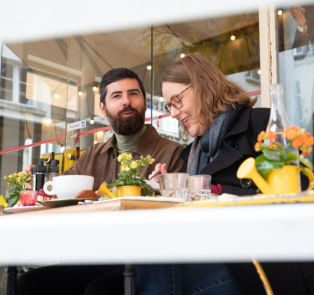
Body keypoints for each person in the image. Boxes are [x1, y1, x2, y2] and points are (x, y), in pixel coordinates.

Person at [137, 54, 314, 295]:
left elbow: (294, 195)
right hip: (212, 250)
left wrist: (206, 193)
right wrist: (172, 192)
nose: (174, 113)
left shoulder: (262, 124)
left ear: (203, 86)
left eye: (177, 100)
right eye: (169, 105)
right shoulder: (193, 154)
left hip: (260, 260)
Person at [17, 68, 185, 295]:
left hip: (145, 260)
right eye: (117, 96)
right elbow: (57, 193)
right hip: (93, 254)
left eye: (133, 94)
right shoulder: (92, 155)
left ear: (144, 102)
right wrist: (35, 189)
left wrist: (164, 189)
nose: (126, 101)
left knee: (99, 291)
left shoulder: (173, 153)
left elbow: (179, 218)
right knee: (29, 282)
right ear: (103, 108)